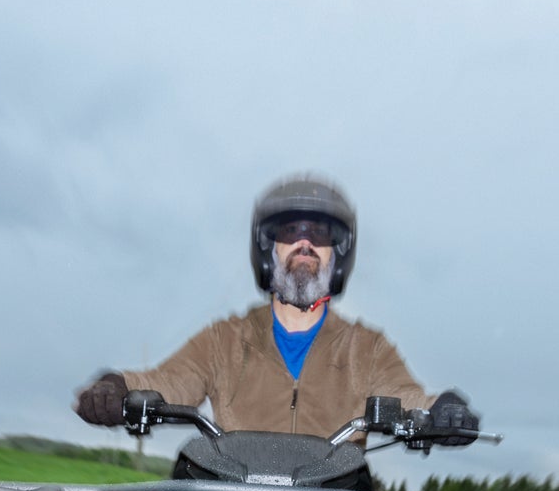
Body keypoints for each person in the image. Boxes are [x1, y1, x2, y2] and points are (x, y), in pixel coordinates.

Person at [73, 174, 478, 443]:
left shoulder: (367, 349)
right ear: (269, 251)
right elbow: (169, 380)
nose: (305, 244)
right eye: (290, 232)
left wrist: (441, 410)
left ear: (338, 255)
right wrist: (116, 387)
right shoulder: (223, 341)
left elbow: (404, 394)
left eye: (319, 234)